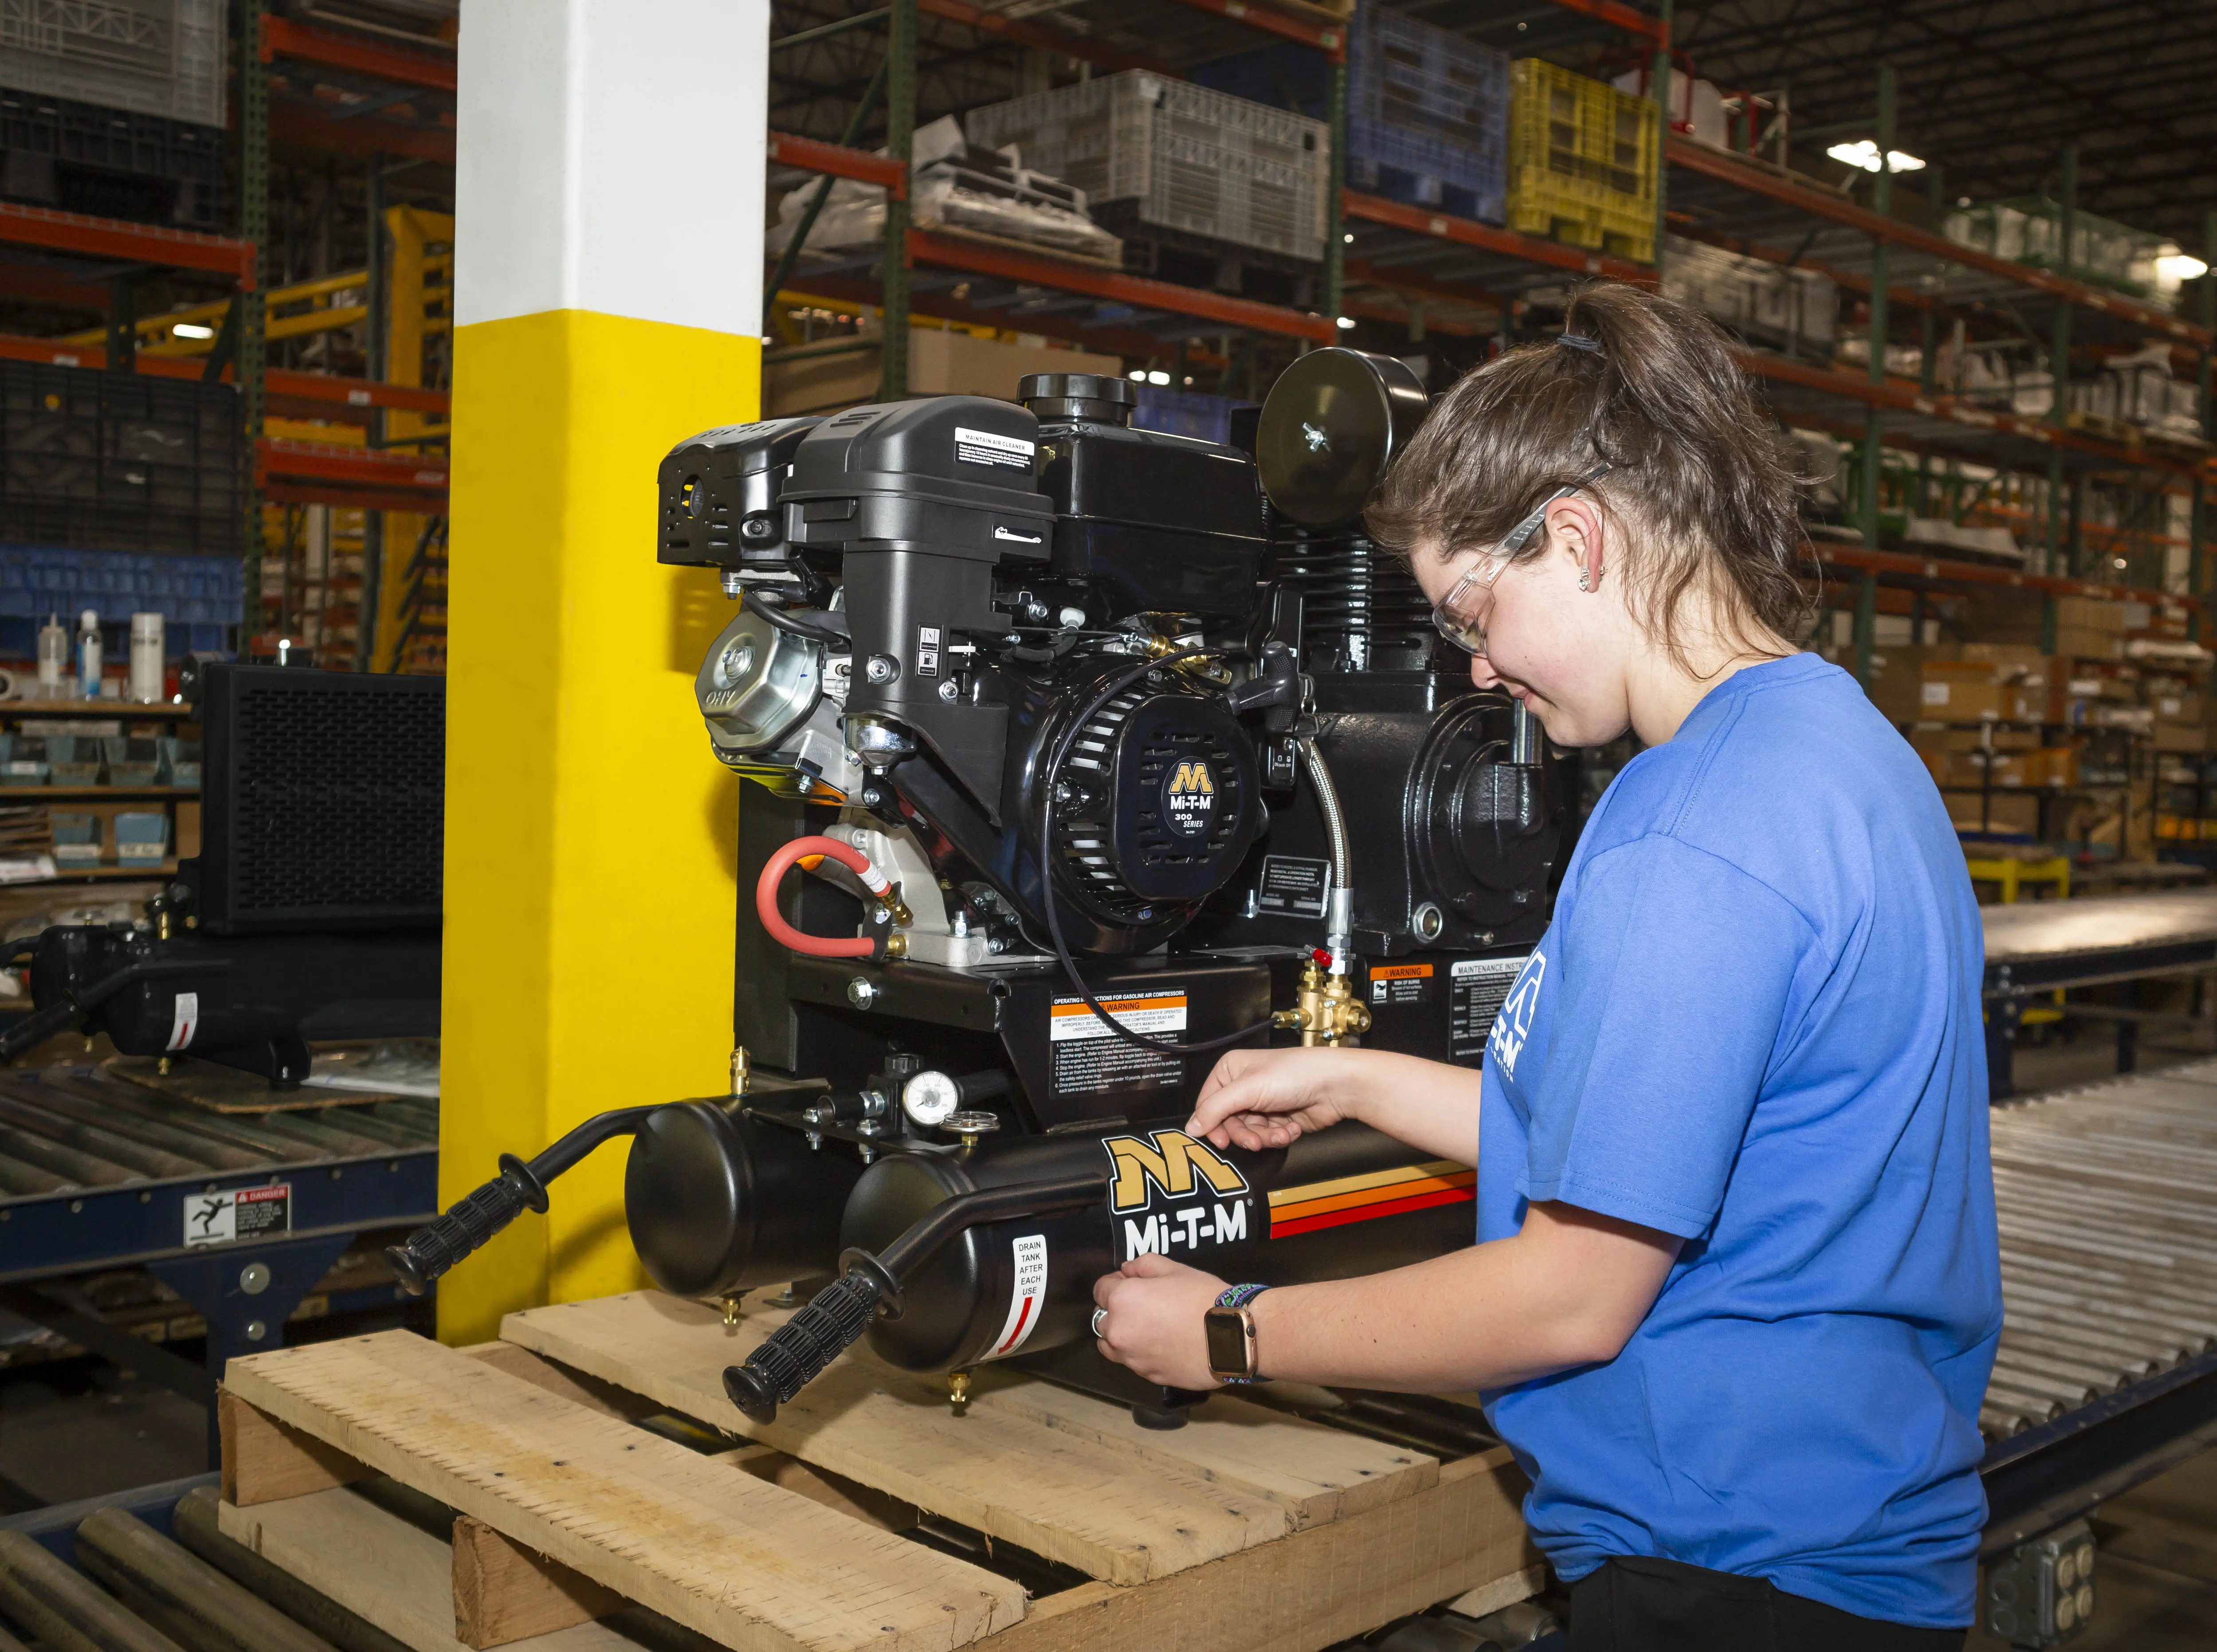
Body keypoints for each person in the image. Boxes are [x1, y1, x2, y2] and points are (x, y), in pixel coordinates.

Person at [1090, 282, 2001, 1651]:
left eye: (1470, 611)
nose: (1471, 672)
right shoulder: (1836, 748)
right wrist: (1351, 1075)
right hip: (1843, 1532)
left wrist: (1231, 1334)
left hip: (1734, 1573)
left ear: (1573, 539)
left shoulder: (1687, 830)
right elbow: (1657, 1150)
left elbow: (1573, 1295)